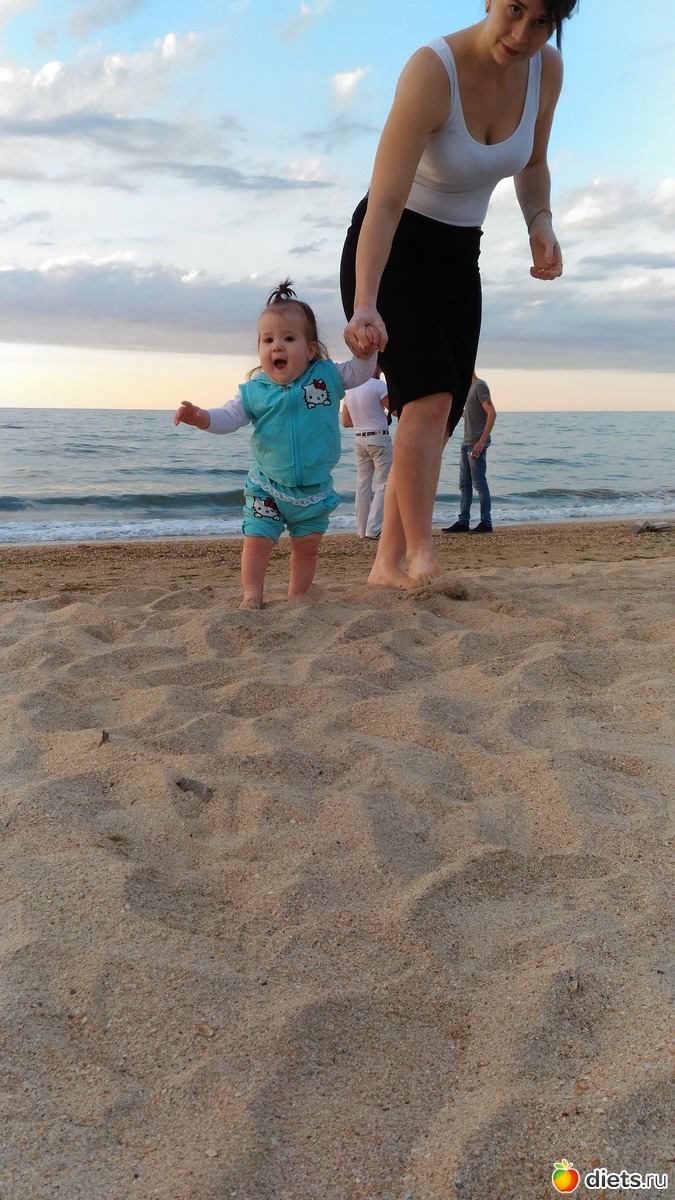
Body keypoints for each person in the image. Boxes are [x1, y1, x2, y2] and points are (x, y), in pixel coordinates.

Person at [341, 0, 579, 589]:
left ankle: (386, 565)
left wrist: (540, 221)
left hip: (458, 257)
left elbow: (533, 163)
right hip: (391, 245)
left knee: (441, 414)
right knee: (426, 399)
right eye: (514, 9)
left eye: (542, 22)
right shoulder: (432, 70)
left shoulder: (546, 70)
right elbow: (385, 202)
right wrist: (365, 302)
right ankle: (422, 557)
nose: (522, 33)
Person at [174, 281, 377, 608]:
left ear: (310, 349)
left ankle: (298, 595)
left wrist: (367, 351)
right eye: (267, 340)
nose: (276, 347)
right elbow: (230, 417)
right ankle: (252, 595)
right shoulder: (254, 391)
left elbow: (360, 372)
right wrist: (202, 418)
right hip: (267, 487)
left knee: (307, 547)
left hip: (313, 491)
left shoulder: (326, 377)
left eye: (288, 339)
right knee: (257, 541)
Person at [341, 367, 393, 540]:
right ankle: (374, 528)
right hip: (378, 438)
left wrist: (365, 418)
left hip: (359, 439)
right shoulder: (378, 385)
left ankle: (361, 529)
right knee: (384, 483)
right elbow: (395, 410)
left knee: (363, 484)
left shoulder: (349, 390)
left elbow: (346, 421)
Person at [444, 372, 496, 533]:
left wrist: (482, 441)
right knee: (464, 484)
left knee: (479, 484)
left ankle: (486, 522)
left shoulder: (480, 386)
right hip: (466, 442)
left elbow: (492, 413)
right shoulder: (468, 388)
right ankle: (463, 522)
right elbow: (470, 413)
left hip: (476, 443)